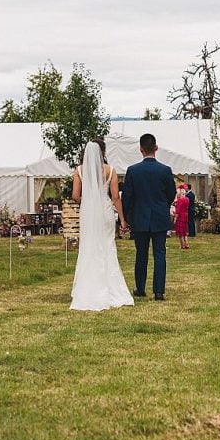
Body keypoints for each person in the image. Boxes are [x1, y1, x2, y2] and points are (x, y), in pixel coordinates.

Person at [69, 138, 134, 311]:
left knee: (89, 247)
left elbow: (75, 196)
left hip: (89, 212)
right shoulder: (110, 170)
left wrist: (89, 200)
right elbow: (115, 197)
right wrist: (123, 219)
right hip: (105, 212)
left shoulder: (79, 171)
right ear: (103, 152)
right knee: (107, 246)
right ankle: (111, 287)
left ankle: (88, 287)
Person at [121, 133, 176, 301]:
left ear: (141, 149)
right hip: (159, 216)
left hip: (140, 217)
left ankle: (140, 288)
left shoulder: (132, 171)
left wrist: (128, 217)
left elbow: (127, 197)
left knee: (141, 254)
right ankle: (158, 291)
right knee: (160, 254)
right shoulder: (165, 170)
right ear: (156, 148)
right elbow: (171, 194)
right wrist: (162, 207)